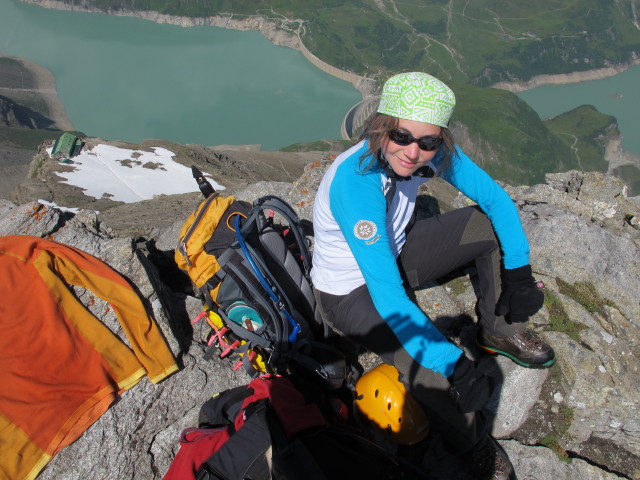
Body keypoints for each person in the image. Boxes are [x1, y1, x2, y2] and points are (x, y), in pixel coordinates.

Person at [310, 72, 555, 480]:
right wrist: (454, 365)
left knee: (485, 225)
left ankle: (499, 329)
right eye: (402, 136)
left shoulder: (431, 152)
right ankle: (473, 442)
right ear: (382, 126)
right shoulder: (356, 182)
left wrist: (519, 272)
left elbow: (495, 199)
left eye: (428, 141)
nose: (413, 152)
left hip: (399, 254)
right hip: (351, 292)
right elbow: (387, 295)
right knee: (424, 368)